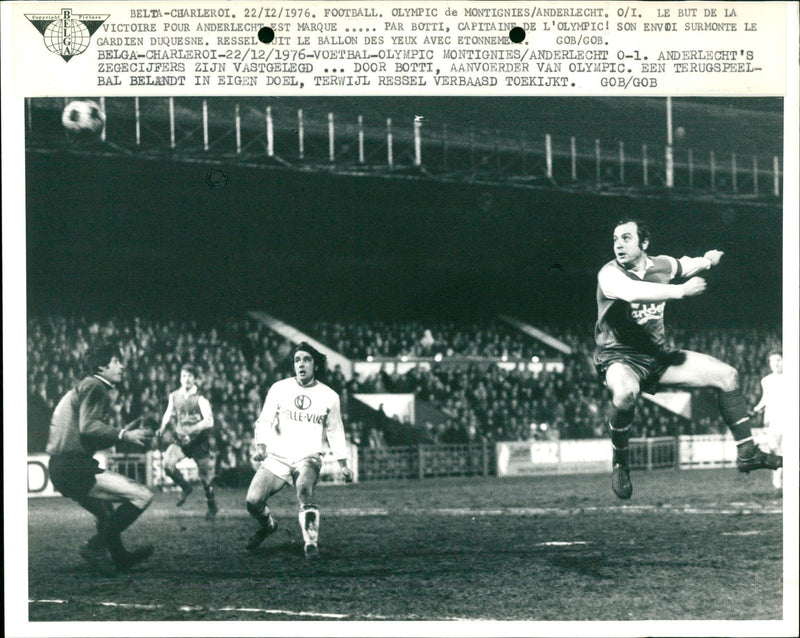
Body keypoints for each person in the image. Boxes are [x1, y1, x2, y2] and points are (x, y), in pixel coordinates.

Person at [593, 218, 781, 499]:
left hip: (658, 356)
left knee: (727, 376)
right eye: (615, 238)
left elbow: (684, 264)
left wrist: (707, 261)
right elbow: (633, 292)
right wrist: (680, 290)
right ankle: (620, 462)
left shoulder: (662, 265)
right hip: (620, 357)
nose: (618, 244)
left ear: (644, 244)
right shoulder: (609, 274)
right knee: (624, 394)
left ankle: (748, 452)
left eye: (626, 238)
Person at [46, 341, 155, 570]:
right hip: (73, 465)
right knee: (142, 495)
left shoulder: (85, 386)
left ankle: (120, 558)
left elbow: (85, 432)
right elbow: (88, 427)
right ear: (101, 367)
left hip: (62, 465)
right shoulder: (96, 386)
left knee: (105, 513)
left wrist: (118, 434)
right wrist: (124, 434)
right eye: (116, 361)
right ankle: (95, 546)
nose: (122, 366)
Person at [245, 342, 354, 559]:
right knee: (253, 501)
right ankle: (268, 525)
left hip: (309, 456)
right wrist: (261, 445)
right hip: (279, 456)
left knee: (304, 488)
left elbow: (335, 430)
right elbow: (264, 420)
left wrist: (343, 464)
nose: (301, 364)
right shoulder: (279, 388)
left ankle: (310, 544)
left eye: (306, 359)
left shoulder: (329, 396)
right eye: (297, 360)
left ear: (315, 365)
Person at [156, 363, 218, 520]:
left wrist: (193, 429)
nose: (187, 379)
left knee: (205, 478)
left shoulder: (201, 398)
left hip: (199, 442)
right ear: (180, 378)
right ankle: (186, 487)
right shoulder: (174, 396)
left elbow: (209, 421)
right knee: (167, 465)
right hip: (181, 440)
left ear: (195, 379)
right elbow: (168, 412)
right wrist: (162, 427)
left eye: (190, 376)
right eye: (184, 376)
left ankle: (212, 506)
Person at [752, 351, 786, 489]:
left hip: (788, 419)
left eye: (778, 360)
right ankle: (777, 474)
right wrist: (756, 408)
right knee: (773, 450)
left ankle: (779, 478)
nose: (776, 363)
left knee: (786, 450)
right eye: (773, 361)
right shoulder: (766, 380)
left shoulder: (793, 377)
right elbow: (765, 398)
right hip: (771, 420)